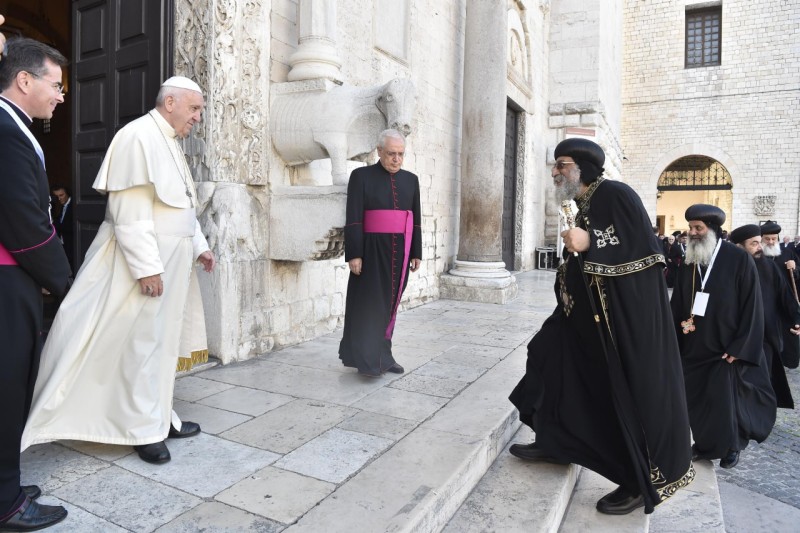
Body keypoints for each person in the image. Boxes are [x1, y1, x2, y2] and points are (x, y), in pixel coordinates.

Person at [21, 76, 216, 466]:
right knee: (140, 346)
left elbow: (181, 204)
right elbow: (129, 214)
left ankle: (160, 417)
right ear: (171, 102)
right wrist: (147, 268)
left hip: (172, 264)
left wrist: (200, 246)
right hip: (145, 266)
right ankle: (142, 430)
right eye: (194, 109)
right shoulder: (137, 136)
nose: (198, 118)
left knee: (162, 344)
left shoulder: (172, 143)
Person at [508, 138, 694, 515]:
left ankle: (639, 480)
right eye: (556, 165)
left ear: (584, 168)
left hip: (621, 324)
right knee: (547, 357)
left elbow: (643, 249)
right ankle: (555, 440)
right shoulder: (584, 203)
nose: (555, 171)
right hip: (582, 318)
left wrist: (589, 240)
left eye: (562, 164)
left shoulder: (616, 194)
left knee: (624, 395)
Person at [0, 36, 71, 532]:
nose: (61, 96)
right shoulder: (6, 131)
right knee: (6, 389)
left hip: (16, 274)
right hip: (9, 277)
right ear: (24, 80)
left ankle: (6, 483)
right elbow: (25, 220)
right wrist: (63, 280)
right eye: (56, 85)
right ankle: (6, 502)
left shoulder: (14, 126)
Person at [670, 205, 776, 470]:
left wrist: (741, 345)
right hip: (694, 342)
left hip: (726, 346)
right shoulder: (690, 259)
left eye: (698, 228)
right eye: (691, 228)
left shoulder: (738, 258)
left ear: (712, 230)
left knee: (726, 401)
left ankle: (731, 446)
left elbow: (753, 304)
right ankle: (705, 444)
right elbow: (679, 300)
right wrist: (673, 336)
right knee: (698, 398)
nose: (692, 233)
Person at [338, 129, 422, 377]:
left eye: (401, 154)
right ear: (379, 151)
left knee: (390, 306)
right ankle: (367, 361)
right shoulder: (360, 176)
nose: (396, 159)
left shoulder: (411, 180)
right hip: (371, 252)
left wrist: (416, 251)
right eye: (391, 154)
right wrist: (355, 254)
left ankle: (385, 356)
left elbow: (415, 219)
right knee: (369, 306)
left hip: (401, 254)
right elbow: (353, 218)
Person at [730, 224, 800, 409]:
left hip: (765, 338)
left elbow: (785, 296)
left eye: (759, 242)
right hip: (737, 340)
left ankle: (759, 417)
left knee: (763, 382)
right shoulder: (728, 271)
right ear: (739, 247)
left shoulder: (769, 267)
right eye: (754, 244)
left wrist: (796, 319)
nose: (761, 247)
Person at [760, 220, 800, 369]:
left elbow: (797, 276)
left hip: (785, 301)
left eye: (774, 239)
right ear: (761, 239)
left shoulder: (788, 253)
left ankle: (786, 361)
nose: (771, 242)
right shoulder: (757, 256)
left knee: (787, 332)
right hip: (765, 302)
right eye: (767, 239)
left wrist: (795, 269)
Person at [50, 185, 74, 269]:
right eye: (57, 196)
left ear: (67, 193)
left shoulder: (74, 205)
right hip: (62, 244)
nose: (59, 198)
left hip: (72, 245)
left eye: (61, 195)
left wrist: (55, 224)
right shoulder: (59, 206)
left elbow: (71, 226)